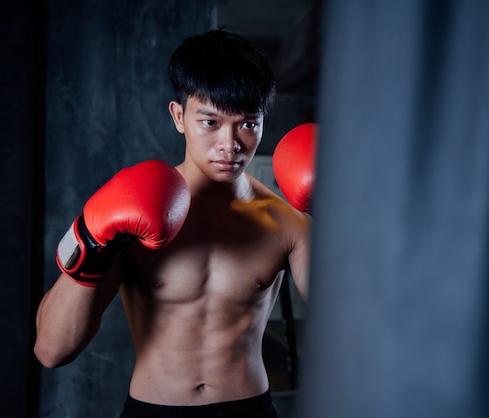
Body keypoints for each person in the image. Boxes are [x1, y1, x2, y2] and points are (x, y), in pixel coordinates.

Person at [34, 30, 314, 418]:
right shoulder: (131, 212)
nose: (230, 145)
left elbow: (355, 329)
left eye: (248, 124)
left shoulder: (286, 223)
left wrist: (340, 221)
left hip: (249, 409)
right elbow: (51, 350)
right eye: (211, 122)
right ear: (179, 117)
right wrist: (93, 240)